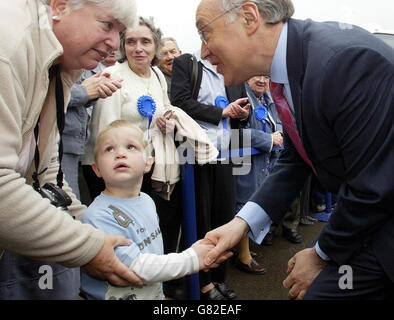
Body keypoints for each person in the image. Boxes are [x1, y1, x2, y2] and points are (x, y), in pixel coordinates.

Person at [197, 0, 394, 300]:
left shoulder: (343, 62)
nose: (203, 51)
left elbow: (372, 186)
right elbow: (295, 157)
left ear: (250, 18)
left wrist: (320, 253)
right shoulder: (293, 66)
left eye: (205, 33)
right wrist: (241, 224)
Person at [0, 0, 143, 299]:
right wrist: (90, 247)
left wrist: (95, 228)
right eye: (107, 25)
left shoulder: (62, 64)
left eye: (119, 32)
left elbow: (46, 173)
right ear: (60, 6)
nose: (113, 44)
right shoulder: (8, 44)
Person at [80, 120, 230, 300]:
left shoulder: (147, 201)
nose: (120, 154)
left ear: (148, 163)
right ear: (96, 169)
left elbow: (153, 254)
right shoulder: (98, 216)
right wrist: (191, 259)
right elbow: (135, 266)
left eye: (131, 147)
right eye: (109, 149)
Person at [171, 49, 249, 300]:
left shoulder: (235, 67)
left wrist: (242, 114)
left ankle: (219, 278)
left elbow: (243, 106)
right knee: (200, 221)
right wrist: (221, 113)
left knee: (225, 218)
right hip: (196, 157)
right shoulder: (187, 63)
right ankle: (202, 283)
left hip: (228, 155)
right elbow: (180, 102)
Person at [234, 75, 282, 274]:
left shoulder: (268, 99)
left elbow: (279, 124)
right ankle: (243, 256)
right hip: (243, 159)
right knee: (244, 202)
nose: (262, 81)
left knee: (256, 201)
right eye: (257, 76)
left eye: (266, 76)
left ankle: (243, 249)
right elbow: (236, 132)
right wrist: (268, 139)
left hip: (265, 160)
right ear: (246, 78)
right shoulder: (241, 98)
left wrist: (277, 136)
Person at [62, 54, 120, 201]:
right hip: (59, 146)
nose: (112, 44)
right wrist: (84, 92)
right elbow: (47, 90)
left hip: (74, 146)